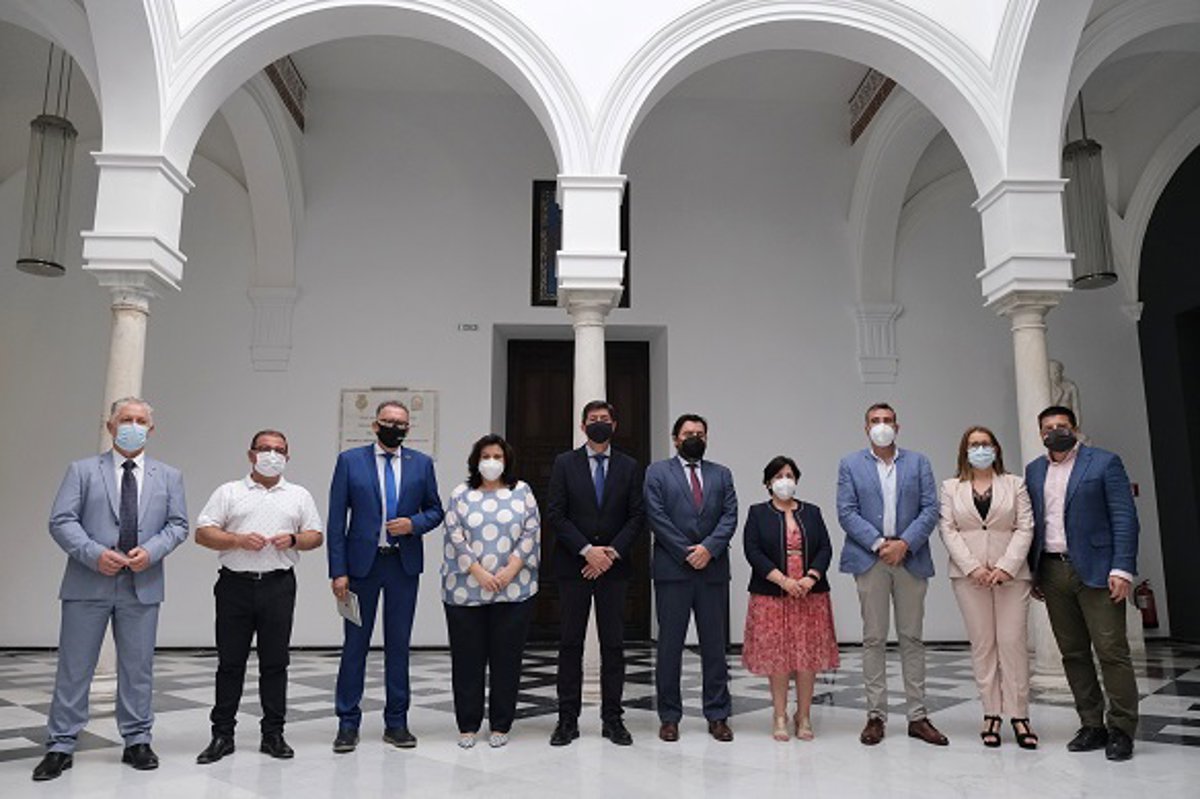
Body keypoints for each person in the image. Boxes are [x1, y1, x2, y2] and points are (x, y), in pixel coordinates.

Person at [33, 397, 188, 782]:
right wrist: (93, 553)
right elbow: (61, 520)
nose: (133, 426)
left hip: (142, 584)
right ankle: (61, 743)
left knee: (138, 668)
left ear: (151, 429)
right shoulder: (82, 471)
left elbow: (178, 525)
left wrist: (151, 552)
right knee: (74, 667)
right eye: (126, 419)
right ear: (110, 426)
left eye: (140, 421)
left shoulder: (169, 476)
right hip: (88, 581)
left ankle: (137, 739)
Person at [193, 429, 324, 764]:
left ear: (287, 457)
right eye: (264, 448)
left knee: (275, 662)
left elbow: (315, 535)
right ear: (251, 454)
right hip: (234, 586)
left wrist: (294, 540)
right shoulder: (229, 492)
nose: (271, 455)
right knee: (230, 662)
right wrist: (236, 540)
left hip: (278, 586)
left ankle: (273, 734)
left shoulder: (298, 495)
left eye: (279, 450)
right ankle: (222, 735)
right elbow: (203, 533)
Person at [327, 400, 444, 752]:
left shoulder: (421, 464)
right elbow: (336, 521)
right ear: (376, 425)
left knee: (399, 645)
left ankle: (397, 722)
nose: (396, 427)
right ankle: (347, 723)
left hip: (402, 566)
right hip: (361, 568)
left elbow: (436, 510)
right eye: (389, 421)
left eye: (402, 423)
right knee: (355, 645)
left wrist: (414, 524)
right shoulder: (350, 461)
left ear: (408, 428)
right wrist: (338, 570)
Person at [1026, 405, 1140, 761]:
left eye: (1062, 425)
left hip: (1099, 570)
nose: (1055, 431)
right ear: (1040, 434)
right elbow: (1033, 524)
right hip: (1052, 570)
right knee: (1073, 653)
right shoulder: (1034, 470)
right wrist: (1033, 572)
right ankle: (1092, 724)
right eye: (1048, 427)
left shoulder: (1104, 463)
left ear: (1074, 429)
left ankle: (1121, 729)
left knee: (1111, 651)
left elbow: (1124, 517)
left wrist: (1122, 568)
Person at [837, 402, 947, 747]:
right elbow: (846, 511)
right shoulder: (850, 464)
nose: (881, 425)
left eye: (887, 420)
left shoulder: (918, 462)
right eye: (875, 421)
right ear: (865, 427)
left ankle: (917, 716)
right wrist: (879, 544)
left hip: (910, 558)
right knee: (873, 638)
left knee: (912, 637)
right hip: (869, 559)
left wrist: (905, 544)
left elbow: (930, 508)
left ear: (897, 427)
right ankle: (875, 716)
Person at [546, 400, 645, 747]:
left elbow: (637, 515)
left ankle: (612, 719)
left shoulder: (630, 466)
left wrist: (610, 553)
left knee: (613, 645)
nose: (598, 423)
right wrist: (587, 550)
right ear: (582, 425)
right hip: (574, 566)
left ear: (614, 425)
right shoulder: (564, 463)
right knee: (570, 643)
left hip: (614, 569)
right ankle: (567, 720)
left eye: (604, 419)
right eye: (593, 419)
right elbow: (556, 513)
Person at [938, 426, 1037, 749]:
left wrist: (1007, 566)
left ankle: (1020, 715)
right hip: (969, 577)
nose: (980, 449)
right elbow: (948, 529)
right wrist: (973, 568)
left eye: (985, 443)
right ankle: (991, 713)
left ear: (996, 448)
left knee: (1012, 642)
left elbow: (1025, 526)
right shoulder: (951, 487)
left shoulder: (1015, 484)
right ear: (964, 451)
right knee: (983, 644)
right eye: (974, 444)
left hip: (1012, 575)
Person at [441, 434, 540, 748]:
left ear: (507, 460)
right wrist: (479, 572)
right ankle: (468, 725)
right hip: (465, 591)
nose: (492, 462)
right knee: (467, 660)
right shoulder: (461, 494)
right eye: (486, 456)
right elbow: (454, 535)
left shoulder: (522, 491)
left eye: (498, 456)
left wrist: (510, 570)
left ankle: (500, 724)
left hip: (514, 591)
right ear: (476, 460)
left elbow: (531, 531)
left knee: (506, 660)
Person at [644, 413, 738, 742]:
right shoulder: (657, 472)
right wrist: (687, 552)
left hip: (712, 571)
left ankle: (718, 715)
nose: (694, 438)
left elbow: (730, 516)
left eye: (700, 433)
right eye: (687, 433)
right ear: (675, 439)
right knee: (670, 647)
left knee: (715, 647)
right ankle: (669, 717)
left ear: (707, 438)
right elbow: (656, 516)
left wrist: (708, 549)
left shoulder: (721, 474)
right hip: (673, 571)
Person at [742, 455, 839, 741]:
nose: (784, 481)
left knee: (806, 656)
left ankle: (804, 715)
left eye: (789, 476)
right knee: (779, 657)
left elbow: (825, 548)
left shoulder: (812, 512)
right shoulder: (757, 513)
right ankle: (780, 715)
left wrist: (810, 578)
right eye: (778, 476)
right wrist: (783, 580)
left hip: (809, 593)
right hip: (772, 594)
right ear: (768, 483)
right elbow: (753, 551)